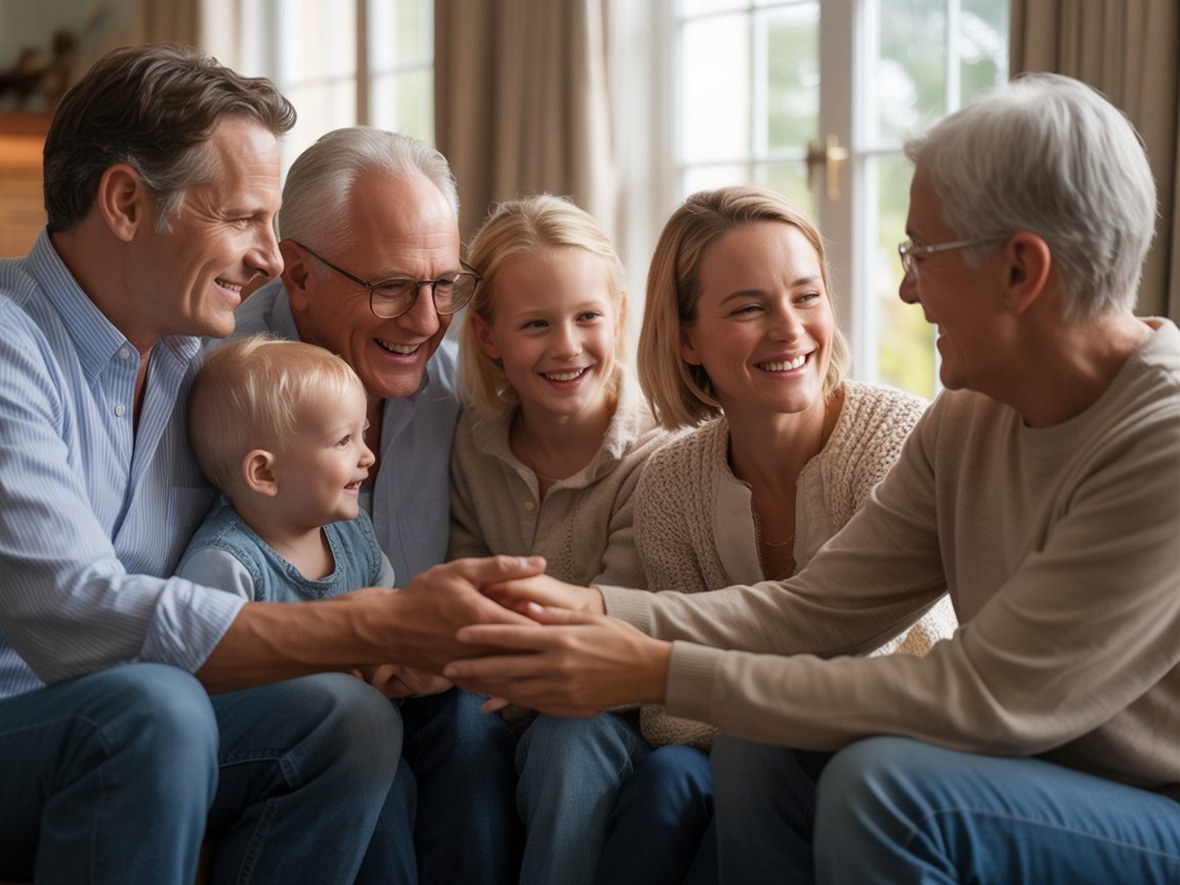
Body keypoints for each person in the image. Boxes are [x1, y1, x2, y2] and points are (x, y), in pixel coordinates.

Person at [445, 72, 1180, 883]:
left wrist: (657, 670)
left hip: (1150, 804)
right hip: (1035, 772)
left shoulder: (1162, 441)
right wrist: (594, 606)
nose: (905, 288)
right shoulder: (970, 419)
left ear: (1019, 272)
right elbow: (814, 609)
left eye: (921, 253)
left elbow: (980, 696)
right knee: (764, 737)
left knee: (888, 790)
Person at [0, 44, 539, 884]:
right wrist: (376, 623)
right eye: (244, 218)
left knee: (348, 717)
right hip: (26, 719)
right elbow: (74, 613)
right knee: (158, 707)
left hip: (150, 715)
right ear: (126, 202)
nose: (270, 257)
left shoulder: (201, 360)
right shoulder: (11, 348)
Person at [591, 185, 956, 885]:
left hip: (893, 731)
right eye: (750, 307)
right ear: (688, 338)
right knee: (667, 780)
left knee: (735, 763)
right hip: (748, 743)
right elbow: (667, 718)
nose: (790, 328)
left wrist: (728, 699)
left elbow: (889, 658)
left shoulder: (895, 436)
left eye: (806, 295)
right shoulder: (670, 481)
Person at [223, 125, 520, 884]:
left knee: (468, 725)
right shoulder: (219, 380)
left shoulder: (460, 389)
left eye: (444, 283)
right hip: (282, 696)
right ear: (297, 275)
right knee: (359, 749)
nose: (425, 320)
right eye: (390, 285)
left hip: (417, 687)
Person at [450, 193, 671, 885]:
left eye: (587, 318)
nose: (567, 346)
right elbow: (460, 594)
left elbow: (609, 623)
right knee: (448, 728)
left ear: (621, 315)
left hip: (606, 705)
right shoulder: (470, 444)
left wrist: (488, 634)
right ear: (487, 336)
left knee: (567, 743)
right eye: (536, 324)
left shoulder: (660, 452)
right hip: (485, 689)